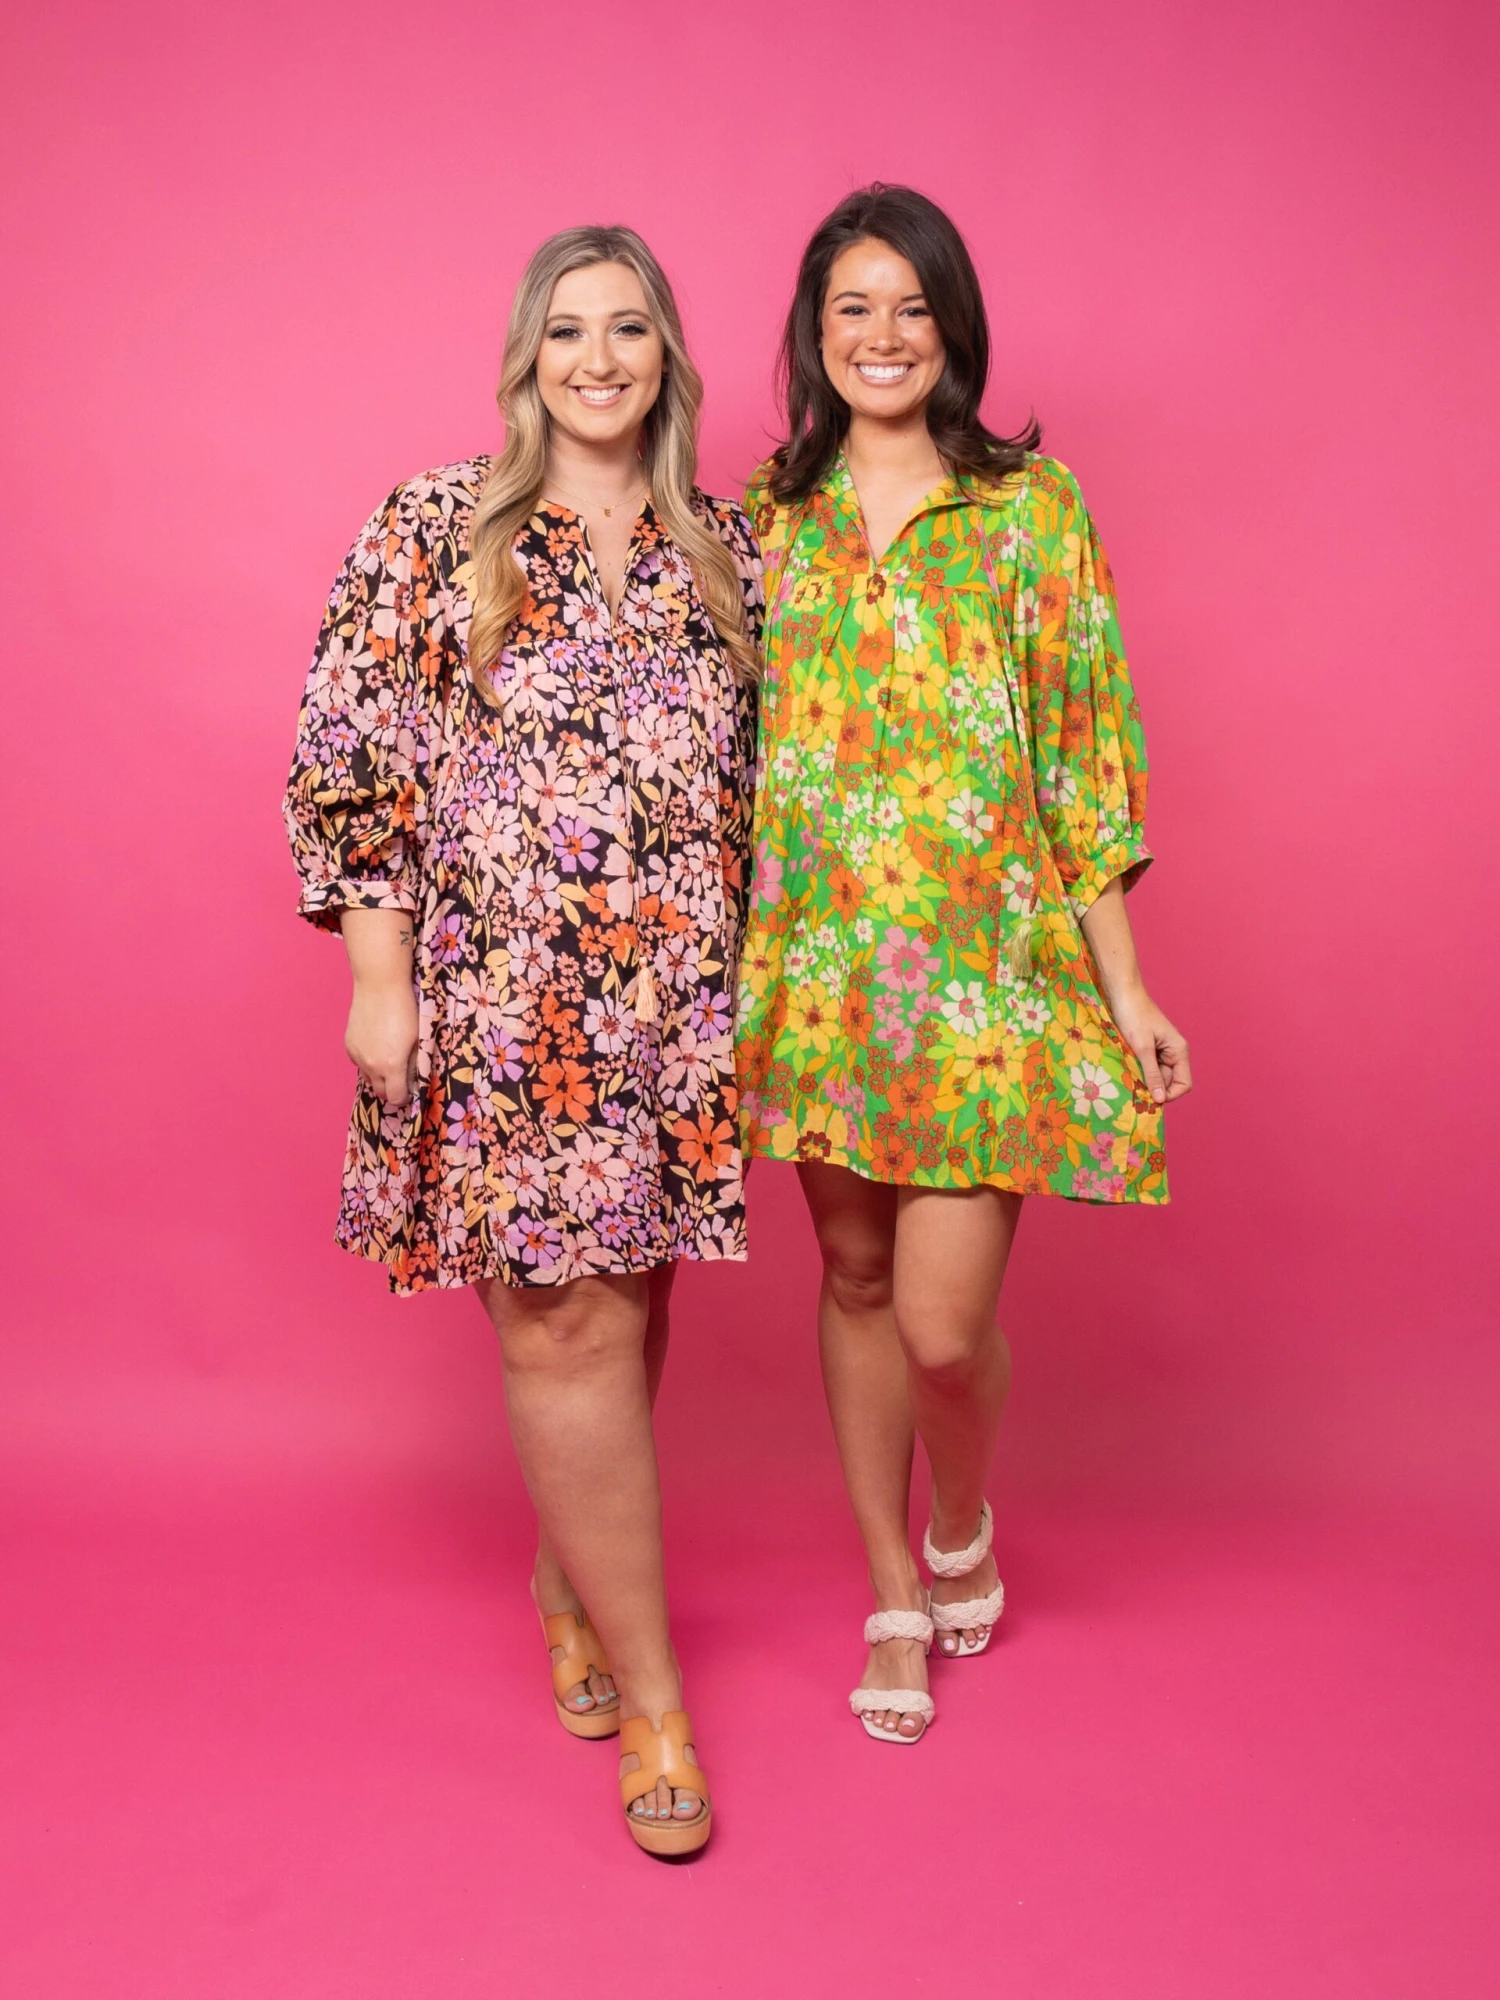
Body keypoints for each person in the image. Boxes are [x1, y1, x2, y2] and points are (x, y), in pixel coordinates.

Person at [285, 225, 761, 1852]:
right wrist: (379, 980)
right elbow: (355, 755)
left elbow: (780, 785)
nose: (598, 360)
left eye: (628, 329)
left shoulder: (729, 552)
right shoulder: (435, 529)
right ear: (526, 357)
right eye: (568, 331)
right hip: (507, 1007)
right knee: (560, 1328)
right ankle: (659, 1706)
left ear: (668, 355)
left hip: (677, 1012)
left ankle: (570, 1585)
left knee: (628, 1314)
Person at [736, 184, 1191, 1743]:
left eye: (912, 307)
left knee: (940, 1325)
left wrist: (1126, 986)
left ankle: (962, 1517)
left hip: (984, 986)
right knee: (854, 1279)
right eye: (852, 308)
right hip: (818, 980)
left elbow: (1082, 762)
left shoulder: (1029, 508)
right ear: (814, 332)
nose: (883, 336)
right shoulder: (766, 518)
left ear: (955, 328)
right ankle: (891, 1594)